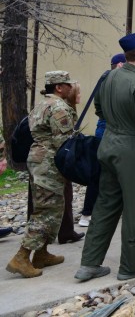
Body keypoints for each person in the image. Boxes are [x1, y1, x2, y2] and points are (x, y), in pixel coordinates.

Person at [75, 32, 135, 283]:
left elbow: (100, 109)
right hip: (131, 150)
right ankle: (133, 266)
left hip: (108, 145)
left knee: (105, 205)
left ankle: (89, 264)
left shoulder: (110, 77)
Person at [6, 71, 80, 278]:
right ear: (59, 87)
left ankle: (41, 253)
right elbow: (63, 140)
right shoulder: (58, 107)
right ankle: (21, 257)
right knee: (46, 211)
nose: (71, 88)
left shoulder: (41, 104)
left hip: (39, 160)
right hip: (49, 163)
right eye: (68, 84)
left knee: (52, 207)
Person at [79, 53, 126, 228]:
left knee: (103, 172)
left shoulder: (104, 78)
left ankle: (92, 212)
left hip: (105, 129)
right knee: (101, 172)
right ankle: (88, 213)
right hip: (110, 130)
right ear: (120, 65)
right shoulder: (113, 80)